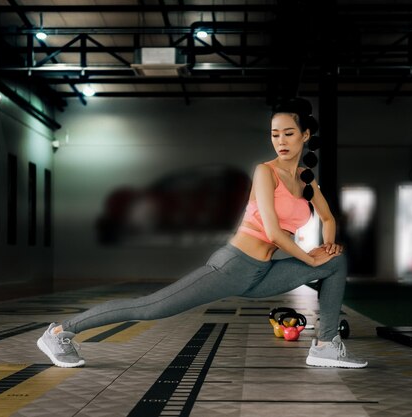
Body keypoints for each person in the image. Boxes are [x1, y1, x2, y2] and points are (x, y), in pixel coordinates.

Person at [37, 98, 368, 369]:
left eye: (289, 134)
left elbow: (326, 217)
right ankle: (60, 332)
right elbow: (272, 231)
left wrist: (328, 247)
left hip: (263, 273)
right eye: (275, 134)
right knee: (150, 307)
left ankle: (326, 345)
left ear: (305, 135)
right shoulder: (265, 172)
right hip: (232, 266)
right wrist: (309, 257)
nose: (280, 141)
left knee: (336, 263)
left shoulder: (307, 179)